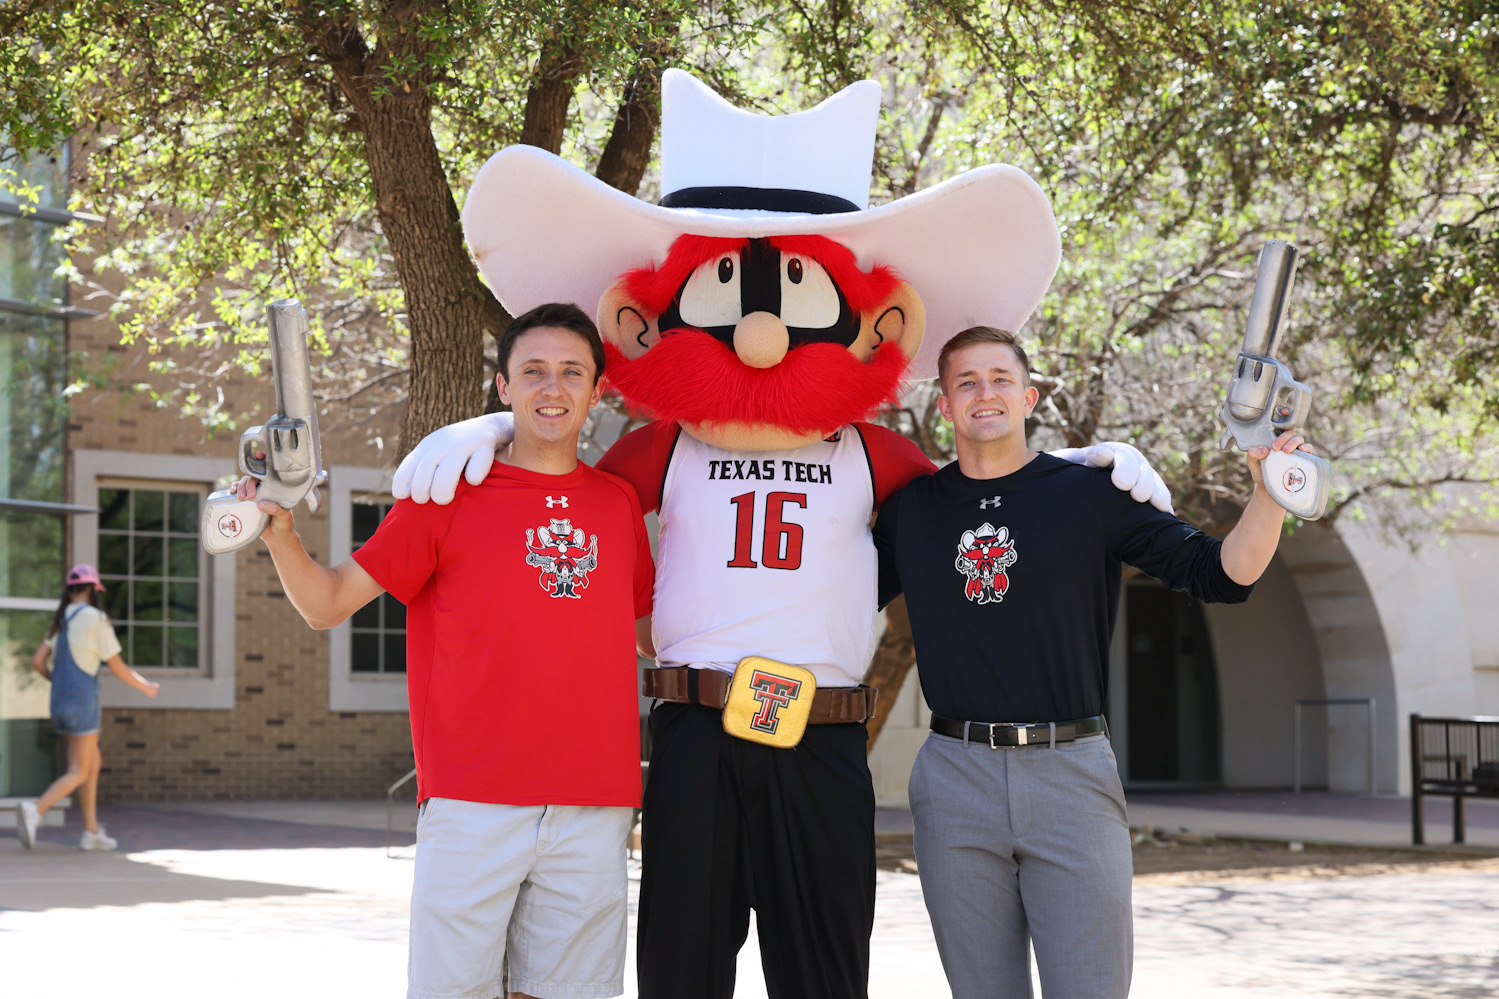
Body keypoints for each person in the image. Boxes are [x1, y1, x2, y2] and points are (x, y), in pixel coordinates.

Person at [234, 303, 655, 999]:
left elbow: (651, 634)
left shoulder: (616, 504)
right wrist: (279, 531)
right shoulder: (445, 495)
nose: (552, 388)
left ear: (596, 388)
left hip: (594, 801)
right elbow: (327, 603)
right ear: (503, 387)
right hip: (473, 798)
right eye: (534, 371)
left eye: (571, 372)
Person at [873, 326, 1308, 999]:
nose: (983, 392)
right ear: (943, 405)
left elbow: (1220, 573)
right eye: (965, 381)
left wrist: (1266, 497)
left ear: (1028, 396)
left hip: (1068, 773)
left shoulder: (1090, 494)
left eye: (999, 379)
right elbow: (830, 602)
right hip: (953, 776)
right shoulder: (910, 512)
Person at [16, 563, 161, 851]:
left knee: (92, 764)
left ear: (71, 589)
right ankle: (35, 809)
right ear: (94, 589)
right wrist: (145, 686)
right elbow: (116, 665)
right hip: (83, 705)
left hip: (59, 705)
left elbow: (37, 661)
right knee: (79, 771)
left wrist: (57, 682)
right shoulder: (96, 618)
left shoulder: (62, 620)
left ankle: (91, 832)